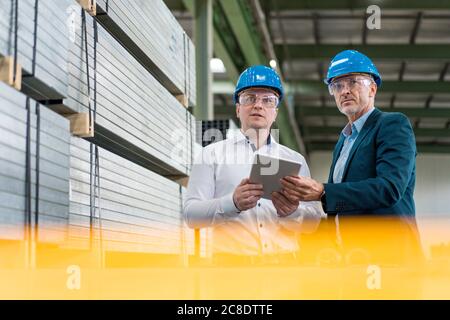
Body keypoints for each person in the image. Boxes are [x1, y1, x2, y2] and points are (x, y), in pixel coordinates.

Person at [279, 50, 423, 265]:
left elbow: (390, 188)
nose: (345, 91)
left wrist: (323, 191)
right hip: (351, 258)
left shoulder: (392, 124)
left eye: (354, 82)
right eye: (337, 85)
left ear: (372, 88)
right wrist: (297, 214)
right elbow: (341, 209)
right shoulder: (344, 141)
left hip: (388, 258)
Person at [183, 65, 323, 266]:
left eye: (268, 100)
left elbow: (313, 223)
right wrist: (232, 203)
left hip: (284, 270)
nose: (258, 105)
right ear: (238, 108)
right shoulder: (211, 154)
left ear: (275, 112)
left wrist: (293, 212)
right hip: (231, 271)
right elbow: (191, 215)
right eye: (249, 98)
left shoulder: (295, 160)